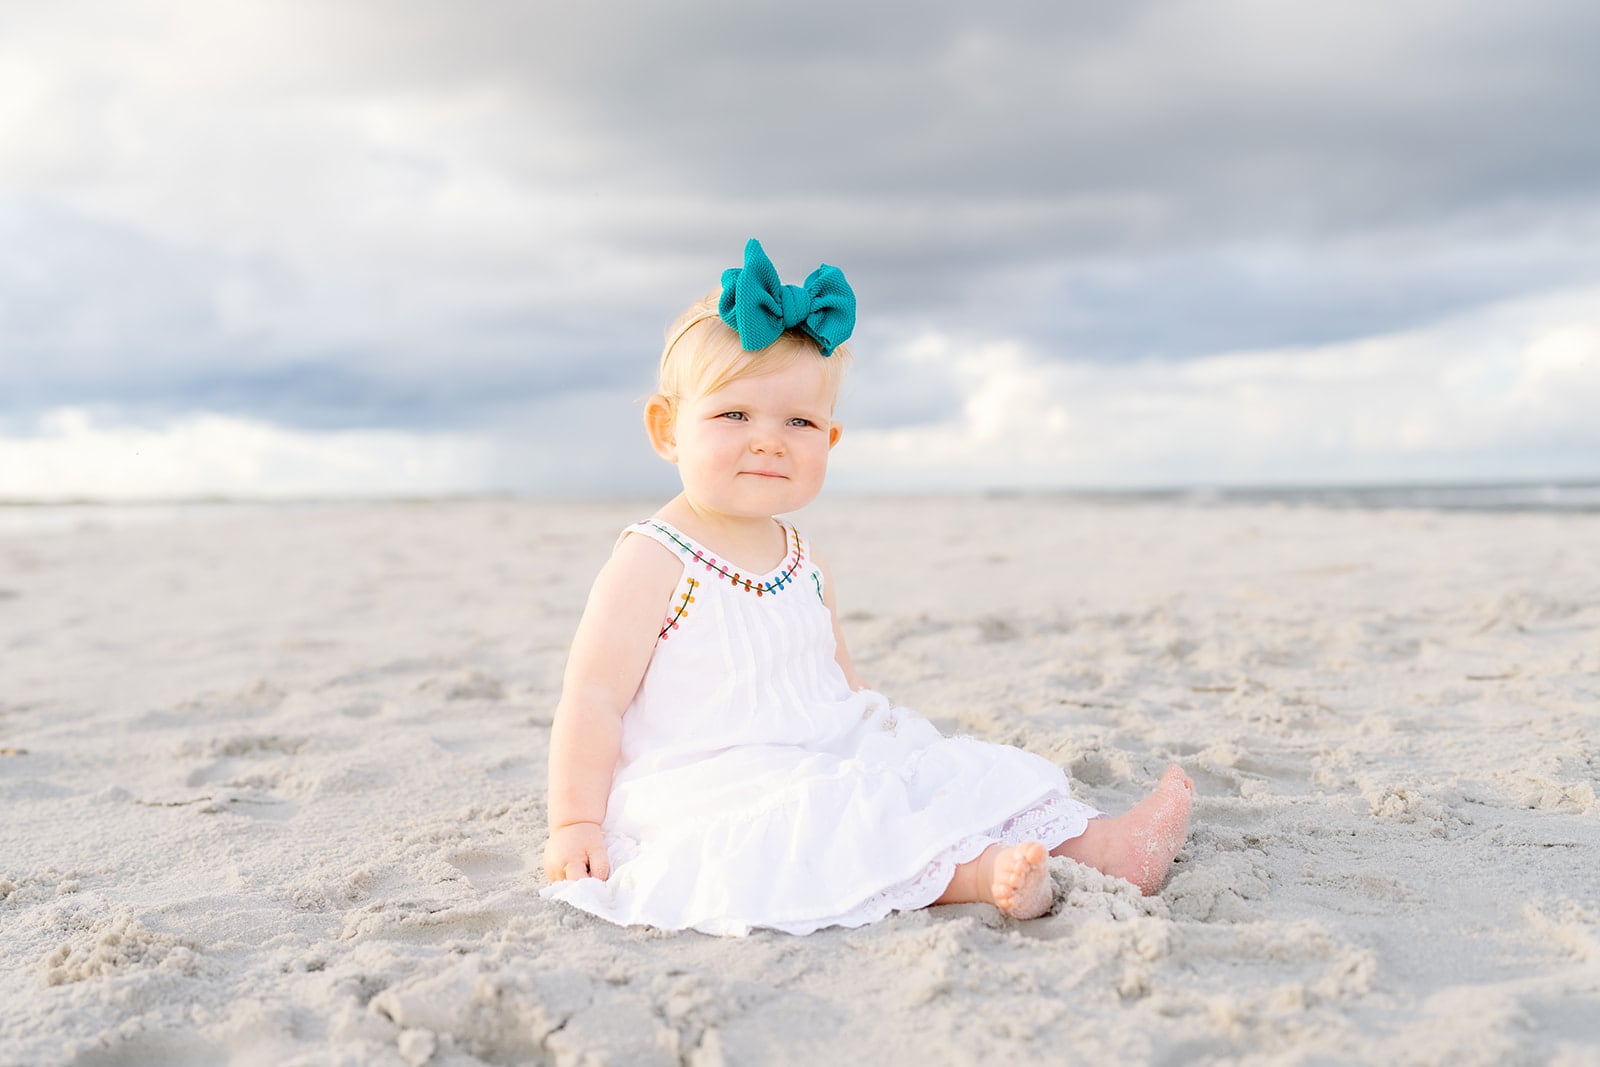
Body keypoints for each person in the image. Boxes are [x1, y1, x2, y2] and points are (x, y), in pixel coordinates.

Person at [541, 239, 1193, 936]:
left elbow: (834, 673)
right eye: (734, 415)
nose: (768, 440)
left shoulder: (802, 556)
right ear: (667, 429)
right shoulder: (657, 557)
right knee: (819, 818)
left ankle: (1105, 848)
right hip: (720, 774)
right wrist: (575, 821)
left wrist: (888, 742)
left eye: (799, 421)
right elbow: (593, 696)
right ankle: (980, 876)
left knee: (945, 771)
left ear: (832, 437)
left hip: (821, 738)